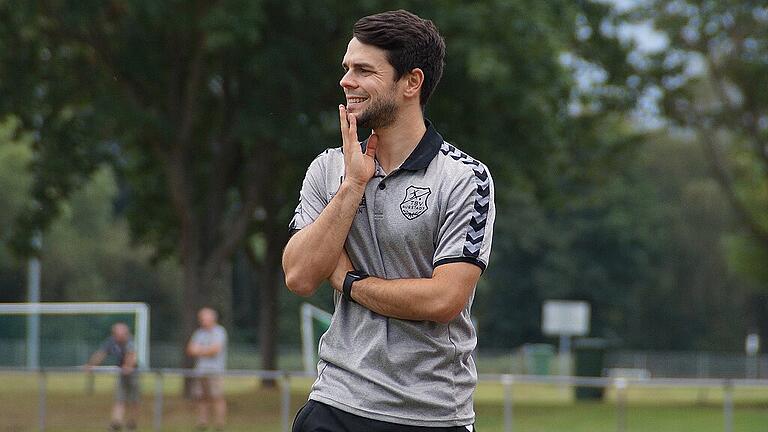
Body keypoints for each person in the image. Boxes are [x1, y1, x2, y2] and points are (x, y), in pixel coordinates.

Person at [283, 9, 495, 432]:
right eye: (347, 68)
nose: (346, 81)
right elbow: (301, 276)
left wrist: (348, 281)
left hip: (433, 415)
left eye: (364, 70)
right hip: (335, 403)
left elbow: (442, 301)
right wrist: (351, 187)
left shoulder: (465, 178)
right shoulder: (328, 169)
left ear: (411, 83)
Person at [86, 322, 140, 432]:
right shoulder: (111, 341)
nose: (119, 337)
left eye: (121, 334)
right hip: (121, 372)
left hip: (133, 373)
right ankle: (116, 422)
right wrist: (91, 364)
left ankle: (132, 423)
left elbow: (132, 355)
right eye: (117, 334)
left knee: (134, 400)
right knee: (119, 398)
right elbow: (101, 353)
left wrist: (128, 366)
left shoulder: (129, 341)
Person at [186, 307, 228, 431]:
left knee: (217, 397)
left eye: (204, 318)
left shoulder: (220, 332)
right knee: (201, 397)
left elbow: (215, 350)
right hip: (201, 371)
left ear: (212, 319)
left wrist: (200, 350)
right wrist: (206, 350)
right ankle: (202, 423)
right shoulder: (199, 333)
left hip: (215, 371)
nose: (202, 321)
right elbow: (190, 349)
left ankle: (219, 424)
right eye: (201, 318)